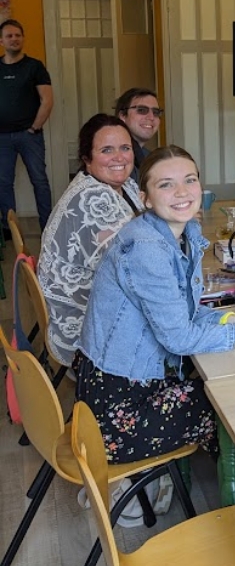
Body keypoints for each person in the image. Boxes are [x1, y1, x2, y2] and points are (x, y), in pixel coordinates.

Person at [75, 145, 235, 462]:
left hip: (140, 380)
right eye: (166, 184)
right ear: (145, 198)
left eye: (190, 180)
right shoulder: (146, 248)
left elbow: (183, 312)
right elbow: (179, 338)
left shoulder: (181, 232)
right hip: (118, 411)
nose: (182, 192)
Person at [38, 114, 144, 368]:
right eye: (107, 150)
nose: (119, 157)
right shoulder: (92, 197)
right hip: (85, 332)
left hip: (98, 306)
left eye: (125, 148)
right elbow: (139, 264)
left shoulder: (125, 185)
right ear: (87, 158)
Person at [0, 18, 54, 236]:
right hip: (2, 138)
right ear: (1, 41)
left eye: (18, 35)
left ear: (22, 38)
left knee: (39, 181)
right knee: (3, 184)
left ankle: (48, 227)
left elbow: (47, 100)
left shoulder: (35, 67)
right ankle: (10, 230)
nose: (14, 39)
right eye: (9, 36)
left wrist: (34, 128)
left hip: (30, 136)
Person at [115, 87, 163, 177]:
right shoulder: (114, 156)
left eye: (156, 112)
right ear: (123, 116)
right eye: (142, 110)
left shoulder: (150, 157)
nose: (151, 117)